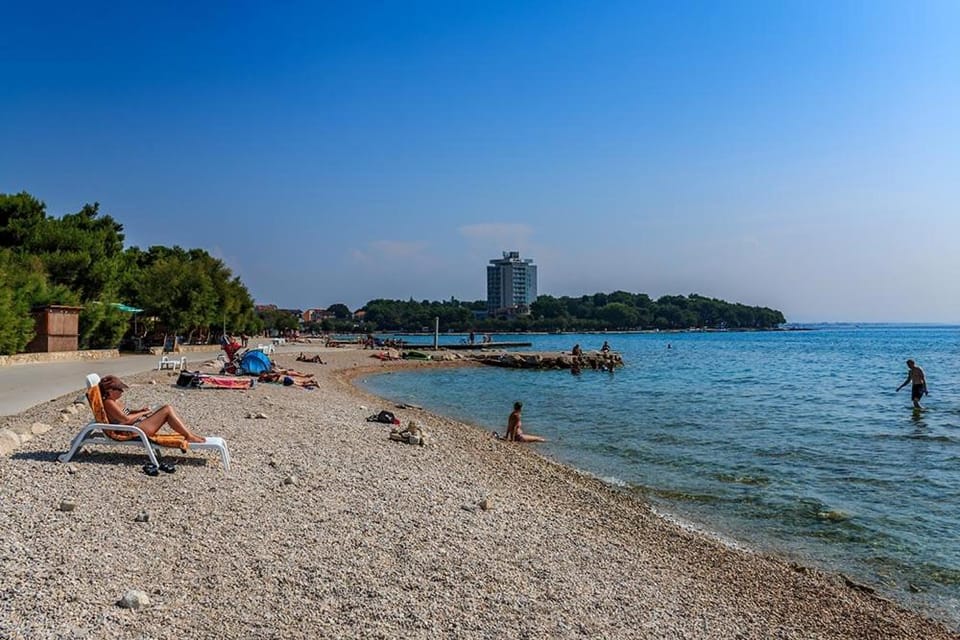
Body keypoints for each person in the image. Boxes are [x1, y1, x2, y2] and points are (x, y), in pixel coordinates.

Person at [99, 375, 206, 443]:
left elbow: (126, 413)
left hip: (135, 425)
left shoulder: (114, 401)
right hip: (131, 431)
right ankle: (189, 436)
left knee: (165, 409)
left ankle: (189, 435)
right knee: (167, 409)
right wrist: (142, 414)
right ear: (110, 390)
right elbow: (125, 420)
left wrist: (139, 411)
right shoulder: (109, 403)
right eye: (120, 389)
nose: (122, 392)